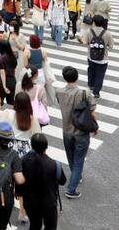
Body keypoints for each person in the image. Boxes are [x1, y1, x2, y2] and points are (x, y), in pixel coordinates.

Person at [55, 65, 97, 199]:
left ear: (64, 77)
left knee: (71, 156)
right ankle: (71, 189)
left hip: (66, 130)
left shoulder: (59, 92)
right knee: (79, 160)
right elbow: (92, 112)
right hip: (81, 132)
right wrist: (95, 127)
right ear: (77, 77)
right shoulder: (85, 93)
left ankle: (76, 176)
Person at [21, 133, 66, 230]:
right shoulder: (54, 164)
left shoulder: (24, 160)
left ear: (32, 145)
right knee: (50, 226)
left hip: (30, 202)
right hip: (49, 203)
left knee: (35, 224)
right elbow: (62, 181)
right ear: (46, 146)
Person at [81, 14, 112, 98]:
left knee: (91, 70)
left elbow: (84, 42)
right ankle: (96, 92)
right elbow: (111, 46)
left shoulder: (89, 31)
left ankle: (91, 85)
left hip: (91, 57)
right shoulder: (107, 33)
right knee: (100, 75)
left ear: (94, 22)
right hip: (103, 59)